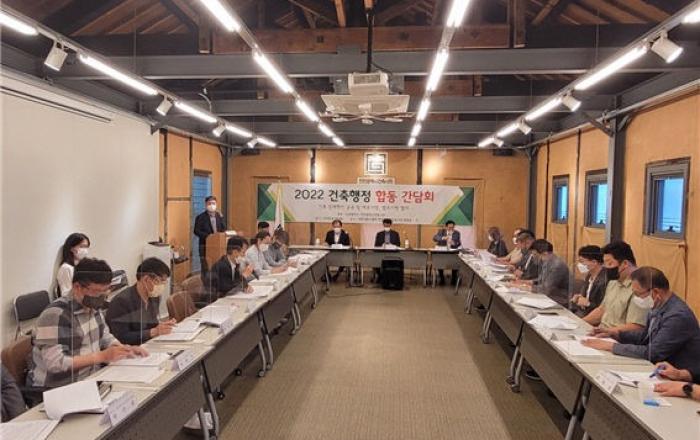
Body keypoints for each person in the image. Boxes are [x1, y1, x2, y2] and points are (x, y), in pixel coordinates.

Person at [28, 258, 147, 388]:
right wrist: (101, 356)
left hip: (92, 379)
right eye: (97, 292)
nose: (102, 297)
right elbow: (56, 363)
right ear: (77, 287)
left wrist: (124, 349)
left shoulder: (92, 306)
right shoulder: (56, 315)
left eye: (106, 291)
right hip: (61, 387)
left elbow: (105, 337)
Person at [583, 267, 700, 370]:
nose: (636, 298)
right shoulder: (658, 305)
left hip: (677, 375)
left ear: (655, 292)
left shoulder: (677, 316)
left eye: (638, 294)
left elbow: (653, 353)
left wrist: (611, 346)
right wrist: (616, 334)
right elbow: (645, 336)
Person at [106, 258, 175, 345]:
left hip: (148, 344)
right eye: (160, 281)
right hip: (129, 349)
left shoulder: (154, 297)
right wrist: (153, 332)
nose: (162, 285)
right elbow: (121, 337)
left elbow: (151, 325)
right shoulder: (121, 301)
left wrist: (163, 326)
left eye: (164, 282)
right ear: (146, 279)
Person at [583, 241, 647, 334]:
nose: (606, 268)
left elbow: (636, 326)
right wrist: (579, 323)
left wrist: (607, 332)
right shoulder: (613, 282)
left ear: (625, 263)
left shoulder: (641, 287)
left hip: (617, 338)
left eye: (609, 264)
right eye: (604, 264)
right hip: (601, 332)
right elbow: (601, 310)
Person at [515, 239, 570, 306]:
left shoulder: (557, 266)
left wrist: (523, 287)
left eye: (535, 254)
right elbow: (540, 279)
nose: (533, 257)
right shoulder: (547, 261)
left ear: (545, 254)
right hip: (547, 296)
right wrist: (523, 282)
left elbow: (545, 290)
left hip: (557, 299)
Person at [571, 245, 608, 317]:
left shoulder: (605, 280)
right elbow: (586, 298)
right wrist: (579, 298)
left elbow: (604, 309)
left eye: (582, 261)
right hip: (583, 313)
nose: (579, 265)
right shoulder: (589, 276)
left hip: (594, 318)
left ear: (594, 262)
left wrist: (588, 304)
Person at [193, 196, 226, 274]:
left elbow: (223, 229)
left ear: (216, 204)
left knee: (217, 266)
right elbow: (196, 231)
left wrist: (222, 219)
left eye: (213, 203)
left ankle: (217, 280)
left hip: (218, 246)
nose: (211, 205)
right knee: (205, 267)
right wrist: (208, 236)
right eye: (209, 203)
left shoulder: (219, 216)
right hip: (205, 245)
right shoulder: (200, 217)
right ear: (206, 204)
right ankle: (205, 280)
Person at [432, 220, 461, 286]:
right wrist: (443, 238)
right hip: (442, 253)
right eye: (449, 227)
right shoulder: (441, 231)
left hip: (452, 253)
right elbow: (435, 238)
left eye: (452, 227)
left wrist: (454, 243)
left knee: (455, 261)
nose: (451, 229)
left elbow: (458, 243)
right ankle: (442, 278)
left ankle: (454, 278)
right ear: (446, 227)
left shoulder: (457, 233)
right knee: (439, 261)